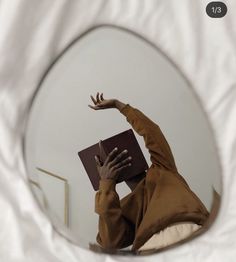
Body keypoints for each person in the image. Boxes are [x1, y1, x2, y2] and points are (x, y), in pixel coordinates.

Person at [88, 92, 209, 252]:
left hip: (190, 232)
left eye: (123, 159)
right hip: (150, 249)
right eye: (115, 167)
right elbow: (110, 242)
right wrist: (106, 184)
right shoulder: (124, 206)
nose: (122, 166)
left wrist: (119, 106)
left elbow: (153, 134)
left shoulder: (163, 169)